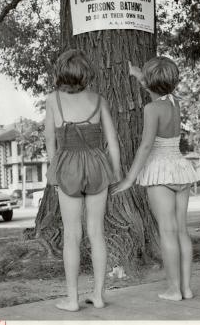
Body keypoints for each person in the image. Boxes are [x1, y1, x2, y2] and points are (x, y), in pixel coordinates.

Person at [110, 57, 199, 301]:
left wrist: (130, 178)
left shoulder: (152, 109)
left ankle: (173, 289)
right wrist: (138, 75)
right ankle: (187, 288)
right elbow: (158, 89)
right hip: (180, 168)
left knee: (167, 232)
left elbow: (146, 145)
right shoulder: (173, 103)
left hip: (160, 171)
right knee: (182, 231)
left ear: (150, 83)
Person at [45, 49, 121, 311]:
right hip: (98, 165)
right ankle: (98, 296)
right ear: (85, 73)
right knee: (96, 233)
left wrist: (55, 172)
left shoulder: (53, 100)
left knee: (72, 235)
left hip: (68, 166)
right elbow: (112, 141)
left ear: (61, 72)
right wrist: (117, 172)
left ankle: (72, 299)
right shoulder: (99, 100)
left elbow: (50, 141)